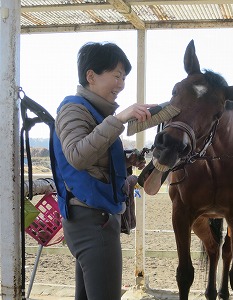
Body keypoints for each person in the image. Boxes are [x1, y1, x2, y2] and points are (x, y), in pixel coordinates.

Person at [51, 42, 154, 300]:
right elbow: (78, 155)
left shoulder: (93, 112)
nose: (121, 84)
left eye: (124, 77)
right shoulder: (74, 109)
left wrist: (126, 160)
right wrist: (118, 120)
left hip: (90, 218)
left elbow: (96, 158)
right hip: (93, 221)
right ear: (90, 75)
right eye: (116, 75)